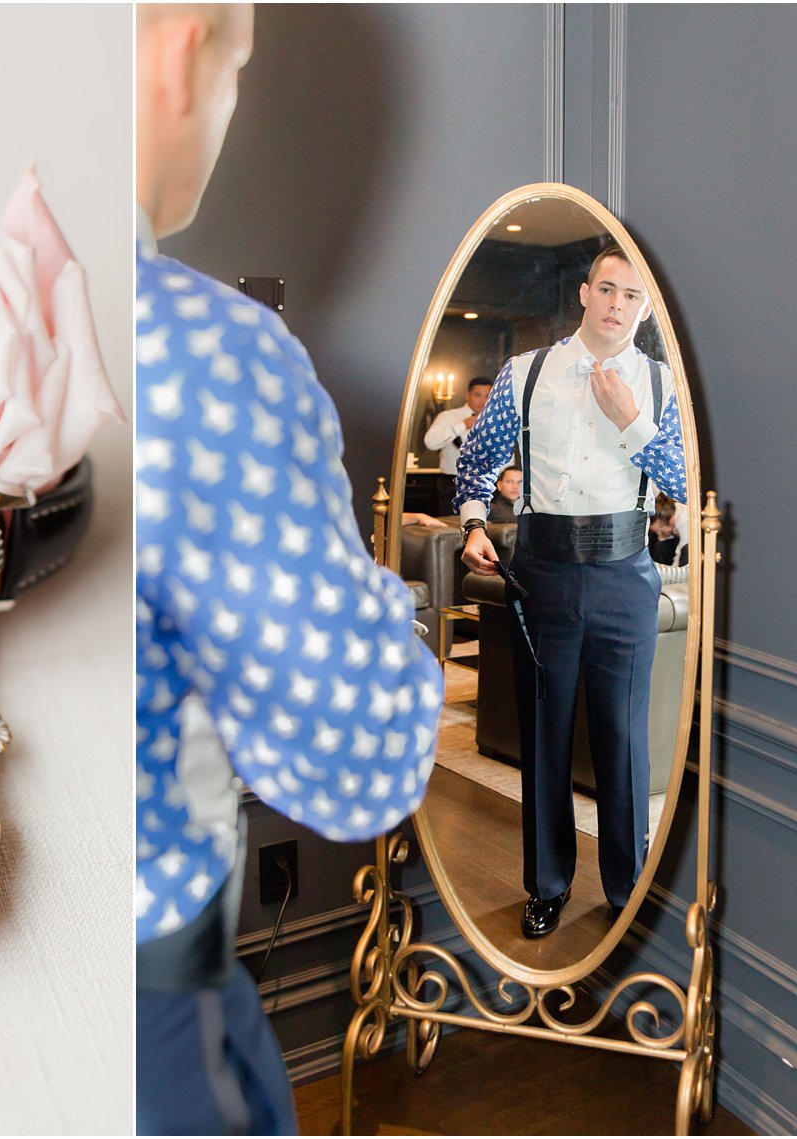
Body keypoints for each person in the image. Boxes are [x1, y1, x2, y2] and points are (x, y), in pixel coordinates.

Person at [135, 5, 443, 1132]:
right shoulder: (204, 353)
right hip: (141, 1003)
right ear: (182, 50)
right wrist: (387, 603)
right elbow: (351, 765)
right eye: (240, 66)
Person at [456, 244, 686, 938]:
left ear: (644, 311)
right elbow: (476, 460)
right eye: (607, 289)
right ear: (584, 294)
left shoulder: (659, 383)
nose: (618, 306)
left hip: (625, 572)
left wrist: (631, 419)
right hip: (544, 571)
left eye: (632, 297)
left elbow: (688, 478)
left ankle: (627, 892)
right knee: (544, 731)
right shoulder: (526, 373)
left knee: (623, 739)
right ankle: (547, 885)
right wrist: (472, 523)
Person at [424, 376, 493, 515]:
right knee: (451, 526)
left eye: (487, 396)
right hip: (453, 483)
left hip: (486, 483)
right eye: (478, 395)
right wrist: (462, 426)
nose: (482, 400)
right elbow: (430, 442)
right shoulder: (448, 416)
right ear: (468, 395)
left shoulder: (496, 419)